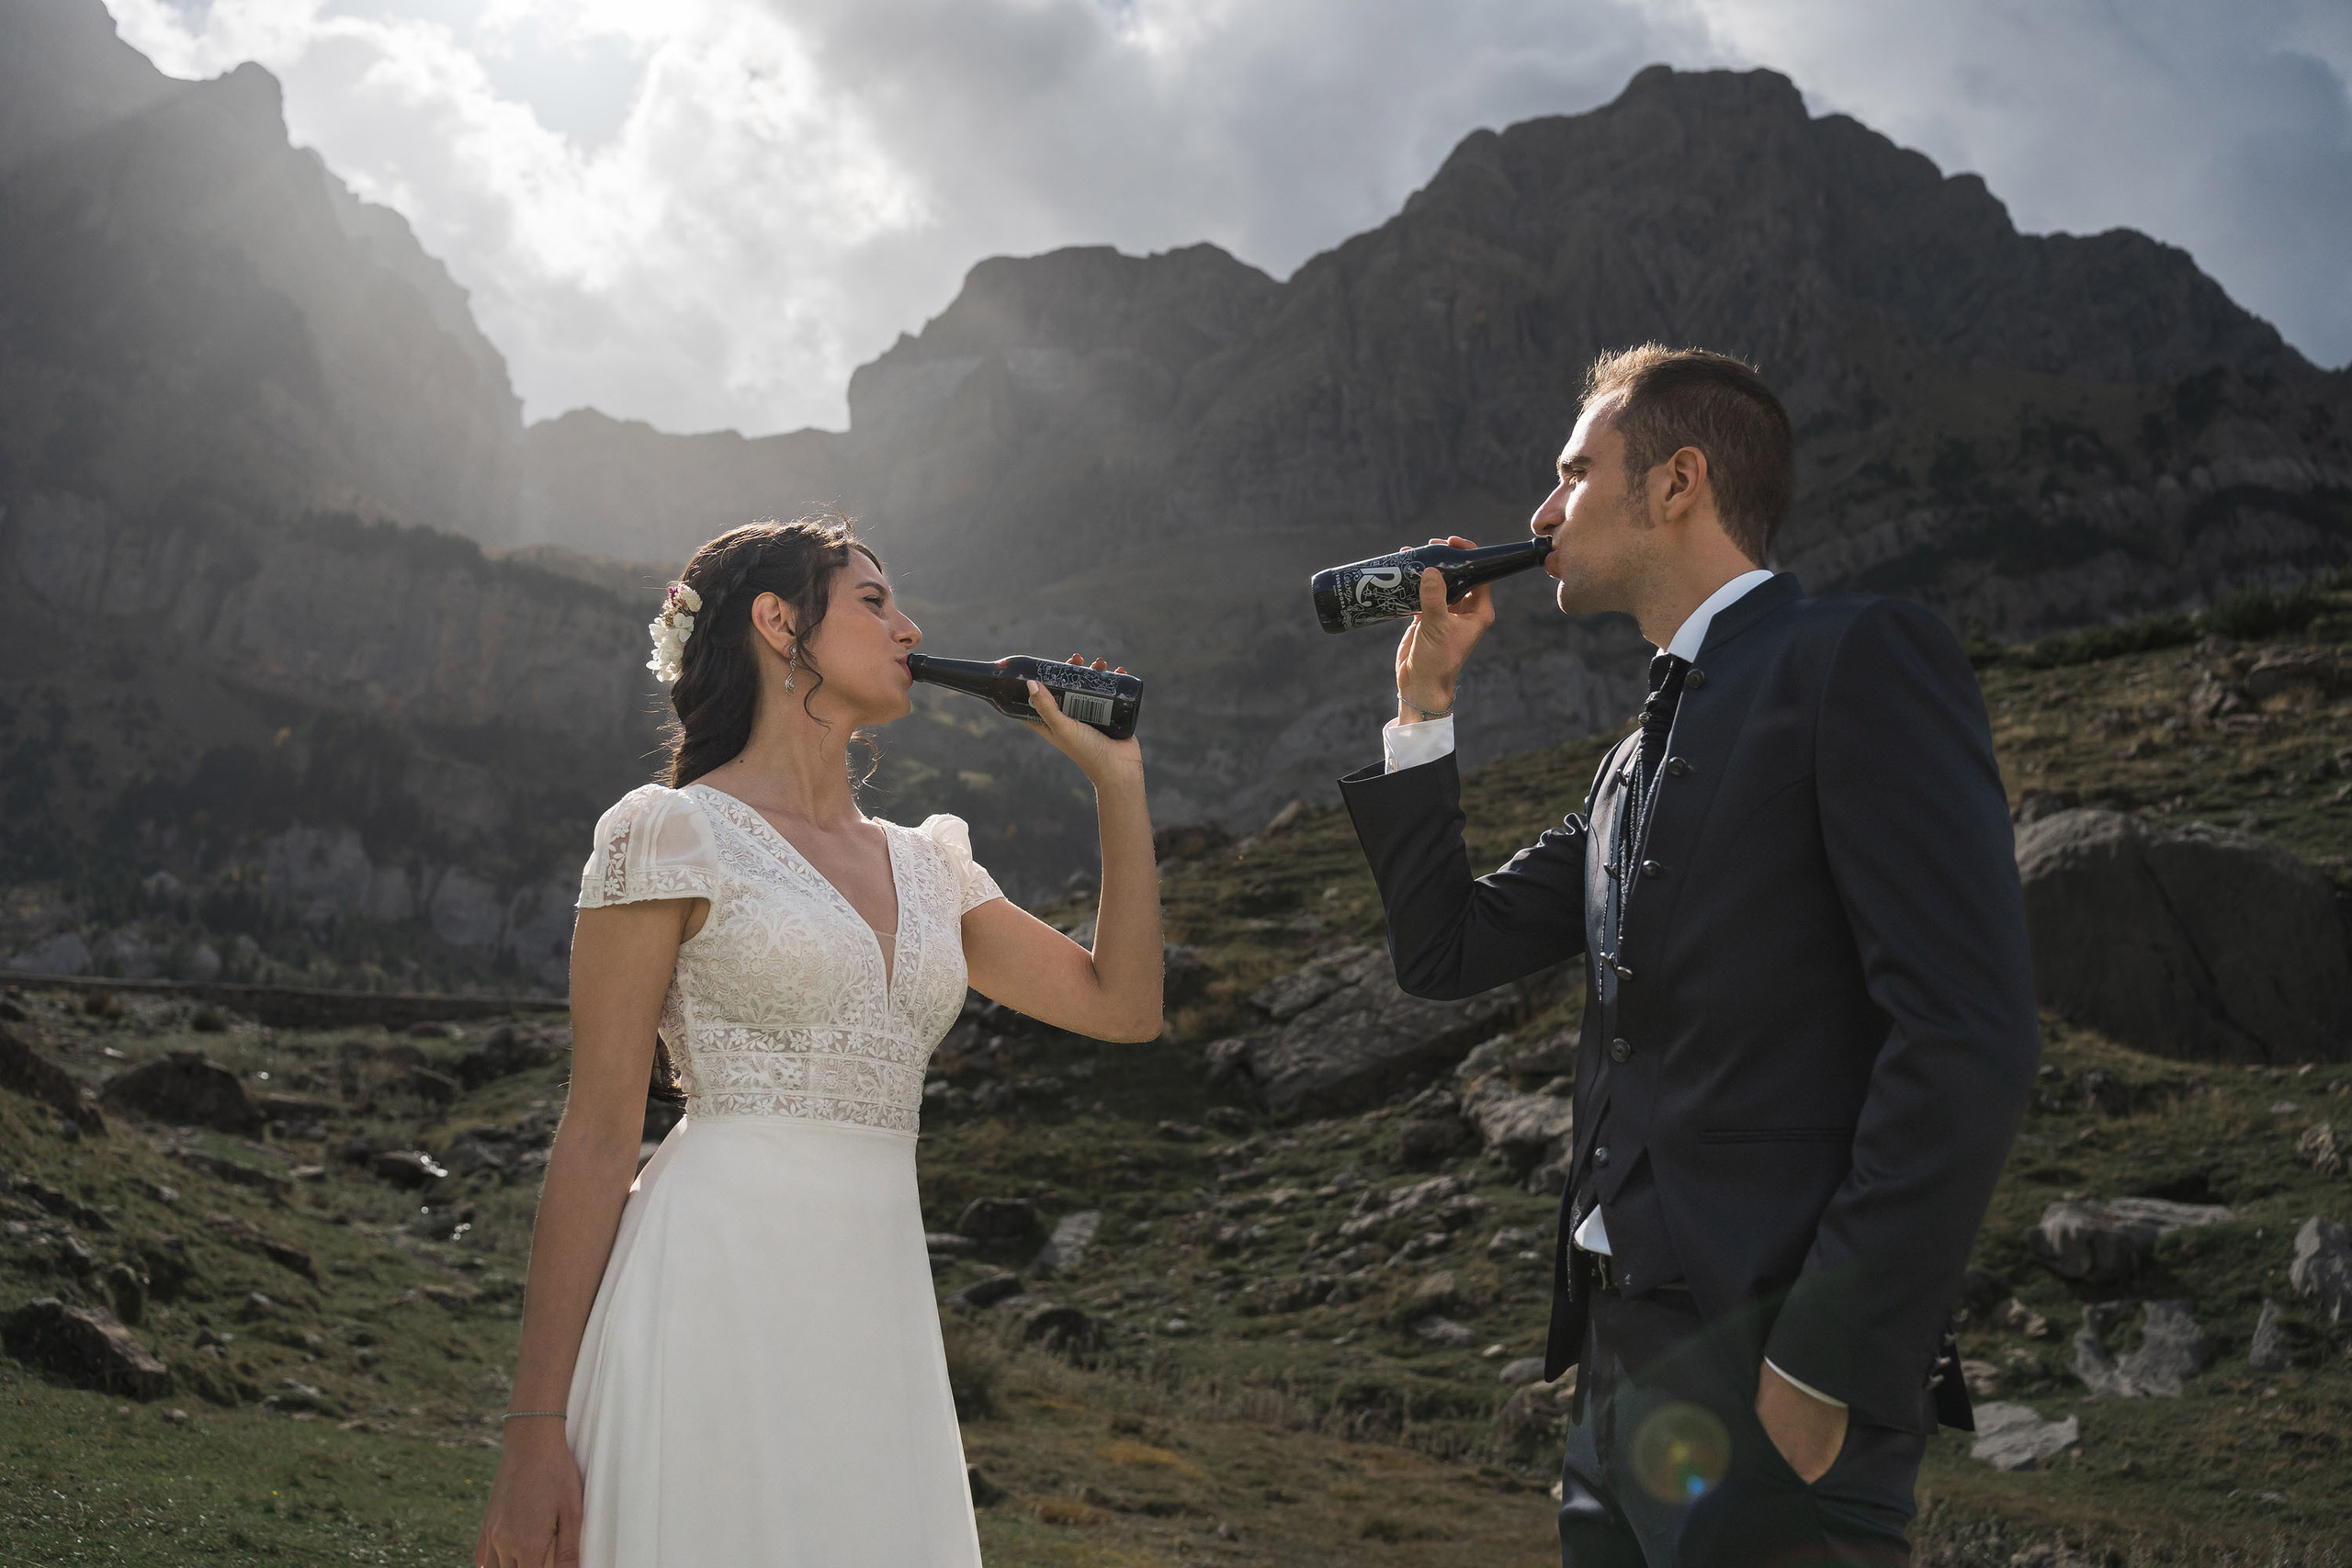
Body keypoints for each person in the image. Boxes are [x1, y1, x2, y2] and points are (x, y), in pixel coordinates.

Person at [1336, 346, 2039, 1565]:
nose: (1540, 514)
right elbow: (1444, 949)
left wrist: (1821, 1357)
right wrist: (1424, 707)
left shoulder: (1856, 656)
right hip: (1616, 1392)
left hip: (1778, 1377)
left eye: (1571, 473)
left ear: (1678, 482)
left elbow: (1968, 1033)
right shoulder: (1626, 766)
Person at [471, 516, 1162, 1568]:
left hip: (874, 1317)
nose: (911, 627)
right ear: (776, 622)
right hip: (707, 1290)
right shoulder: (667, 832)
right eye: (875, 601)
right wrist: (533, 1436)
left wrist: (1117, 780)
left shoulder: (930, 865)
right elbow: (599, 1135)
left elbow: (1125, 1006)